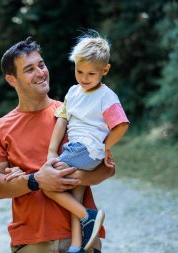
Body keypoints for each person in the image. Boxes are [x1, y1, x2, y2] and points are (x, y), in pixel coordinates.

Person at [0, 37, 115, 253]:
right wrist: (35, 180)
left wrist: (67, 177)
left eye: (41, 65)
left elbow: (108, 168)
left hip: (83, 241)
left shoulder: (76, 112)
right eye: (29, 69)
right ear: (12, 80)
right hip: (32, 242)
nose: (40, 72)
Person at [46, 31, 130, 253]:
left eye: (91, 73)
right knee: (76, 193)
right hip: (79, 150)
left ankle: (89, 216)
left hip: (86, 149)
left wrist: (105, 147)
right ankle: (76, 245)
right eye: (79, 70)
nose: (84, 77)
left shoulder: (106, 96)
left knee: (49, 183)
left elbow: (121, 125)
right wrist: (52, 151)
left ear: (105, 70)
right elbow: (62, 120)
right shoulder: (73, 92)